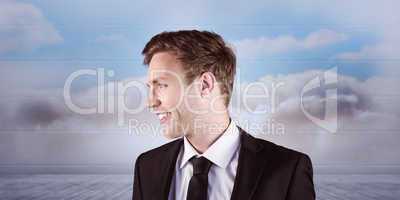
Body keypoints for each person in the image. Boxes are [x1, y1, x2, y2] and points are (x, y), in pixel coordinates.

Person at [132, 30, 315, 200]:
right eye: (150, 88)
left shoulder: (288, 170)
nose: (151, 102)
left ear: (205, 84)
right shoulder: (146, 167)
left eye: (162, 85)